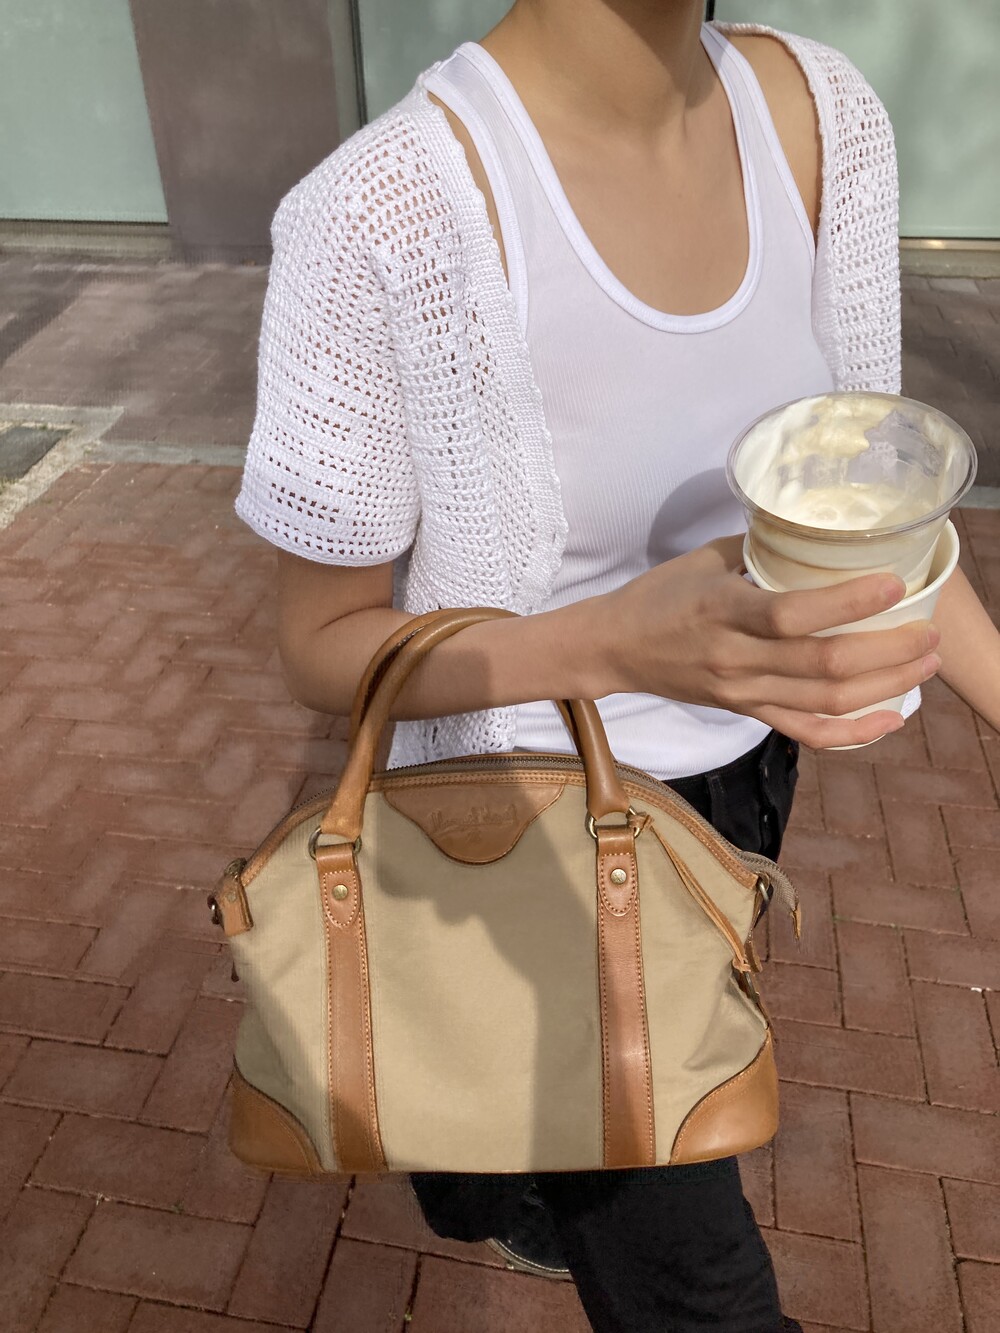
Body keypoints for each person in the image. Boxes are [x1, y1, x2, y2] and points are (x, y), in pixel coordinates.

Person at [235, 2, 1000, 1328]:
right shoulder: (379, 215)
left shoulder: (827, 117)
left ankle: (498, 1152)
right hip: (532, 834)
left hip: (750, 767)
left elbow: (885, 506)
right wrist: (613, 642)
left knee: (539, 1122)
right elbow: (320, 643)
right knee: (701, 1292)